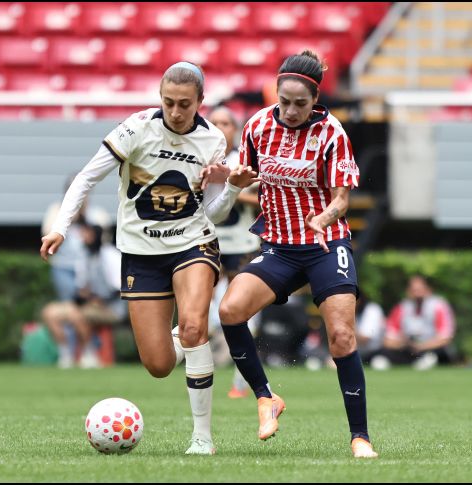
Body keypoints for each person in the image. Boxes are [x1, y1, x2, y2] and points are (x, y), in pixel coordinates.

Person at [39, 61, 258, 455]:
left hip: (193, 243)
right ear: (160, 98)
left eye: (185, 105)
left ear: (200, 103)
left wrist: (229, 188)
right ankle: (187, 340)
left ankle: (202, 438)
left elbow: (212, 214)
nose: (176, 111)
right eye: (169, 102)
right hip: (141, 253)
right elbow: (87, 177)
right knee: (158, 364)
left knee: (194, 328)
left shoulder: (212, 142)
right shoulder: (135, 129)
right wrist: (61, 227)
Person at [216, 50, 378, 458]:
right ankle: (266, 397)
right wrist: (231, 181)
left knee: (341, 337)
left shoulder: (332, 133)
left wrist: (322, 218)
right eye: (283, 101)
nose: (289, 111)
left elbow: (342, 198)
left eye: (299, 104)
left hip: (326, 244)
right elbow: (249, 181)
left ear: (315, 99)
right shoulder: (256, 127)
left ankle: (360, 437)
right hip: (280, 247)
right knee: (231, 310)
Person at [207, 105, 263, 399]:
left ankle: (241, 384)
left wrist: (233, 188)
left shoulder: (246, 158)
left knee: (245, 311)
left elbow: (264, 197)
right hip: (210, 242)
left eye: (225, 122)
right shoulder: (202, 156)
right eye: (213, 121)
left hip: (243, 243)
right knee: (204, 310)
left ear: (235, 129)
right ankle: (203, 375)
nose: (219, 127)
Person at [41, 224, 124, 369]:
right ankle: (65, 354)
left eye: (88, 234)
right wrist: (83, 297)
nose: (84, 238)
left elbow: (121, 287)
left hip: (112, 307)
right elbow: (82, 289)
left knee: (79, 314)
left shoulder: (110, 255)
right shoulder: (83, 256)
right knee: (50, 312)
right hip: (89, 304)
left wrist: (99, 299)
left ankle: (90, 354)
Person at [41, 175, 111, 302]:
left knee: (91, 306)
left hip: (91, 269)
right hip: (64, 266)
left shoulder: (97, 213)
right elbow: (47, 234)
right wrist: (68, 219)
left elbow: (105, 242)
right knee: (68, 305)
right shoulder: (56, 209)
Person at [374, 275, 456, 370]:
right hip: (408, 348)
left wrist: (421, 346)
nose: (417, 294)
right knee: (385, 352)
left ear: (428, 290)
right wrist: (405, 343)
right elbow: (388, 339)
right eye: (414, 290)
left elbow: (445, 337)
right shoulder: (401, 308)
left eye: (420, 290)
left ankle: (426, 361)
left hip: (431, 347)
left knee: (439, 352)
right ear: (408, 291)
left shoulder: (439, 306)